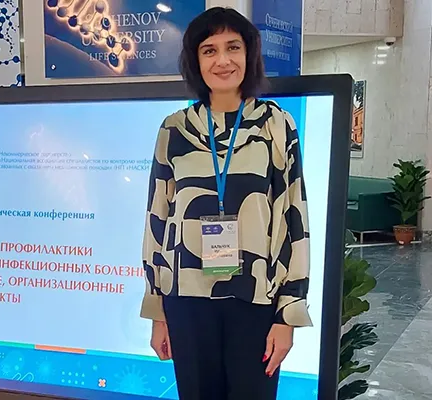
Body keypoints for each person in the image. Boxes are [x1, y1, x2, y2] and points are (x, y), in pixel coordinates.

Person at [140, 6, 312, 400]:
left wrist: (288, 315)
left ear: (249, 54)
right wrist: (158, 312)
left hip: (255, 298)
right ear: (195, 60)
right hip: (186, 300)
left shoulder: (276, 125)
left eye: (233, 47)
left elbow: (294, 219)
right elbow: (157, 219)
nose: (223, 60)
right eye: (209, 50)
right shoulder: (174, 129)